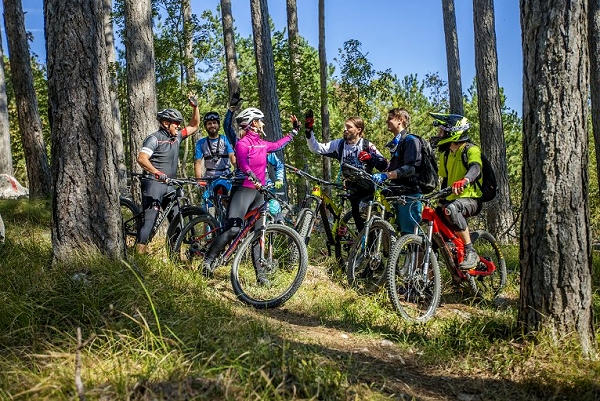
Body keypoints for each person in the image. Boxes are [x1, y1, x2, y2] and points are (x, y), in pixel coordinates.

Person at [201, 107, 298, 281]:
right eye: (260, 120)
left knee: (258, 232)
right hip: (243, 189)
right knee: (233, 229)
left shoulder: (262, 143)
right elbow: (244, 164)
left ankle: (260, 275)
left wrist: (294, 131)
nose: (263, 123)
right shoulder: (242, 143)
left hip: (259, 192)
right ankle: (207, 261)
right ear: (253, 123)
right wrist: (253, 177)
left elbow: (277, 145)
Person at [304, 110, 388, 232]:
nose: (345, 129)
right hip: (351, 188)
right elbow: (316, 148)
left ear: (358, 130)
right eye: (345, 126)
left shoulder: (367, 145)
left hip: (367, 191)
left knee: (367, 224)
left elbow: (384, 164)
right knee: (359, 223)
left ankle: (372, 246)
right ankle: (359, 246)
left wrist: (371, 158)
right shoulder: (339, 144)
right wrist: (308, 130)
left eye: (349, 127)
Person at [136, 95, 200, 254]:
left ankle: (175, 258)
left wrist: (195, 108)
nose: (179, 127)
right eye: (176, 124)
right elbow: (141, 159)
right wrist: (157, 173)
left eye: (179, 124)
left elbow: (194, 125)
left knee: (177, 223)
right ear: (166, 123)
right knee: (150, 222)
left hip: (169, 185)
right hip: (153, 183)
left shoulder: (177, 136)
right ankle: (138, 257)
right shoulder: (154, 139)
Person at [430, 112, 482, 270]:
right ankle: (428, 281)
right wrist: (439, 200)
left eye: (442, 131)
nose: (439, 134)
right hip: (451, 200)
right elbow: (445, 180)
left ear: (453, 132)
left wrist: (465, 180)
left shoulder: (471, 150)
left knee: (451, 209)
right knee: (432, 230)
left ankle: (470, 251)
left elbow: (476, 167)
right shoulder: (446, 155)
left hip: (471, 199)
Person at [371, 108, 423, 236]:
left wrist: (386, 175)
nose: (386, 121)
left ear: (400, 120)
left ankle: (420, 256)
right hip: (397, 193)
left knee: (411, 238)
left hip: (409, 195)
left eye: (390, 118)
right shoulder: (397, 142)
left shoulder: (410, 140)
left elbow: (410, 168)